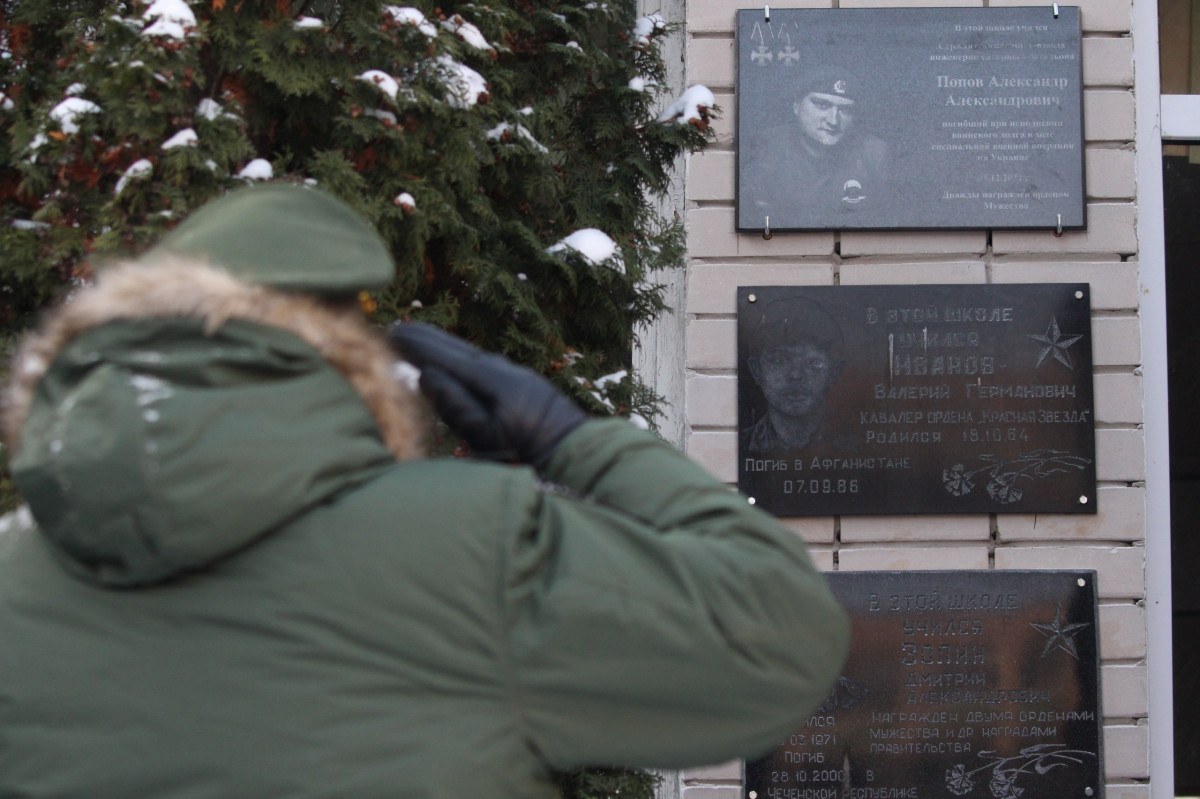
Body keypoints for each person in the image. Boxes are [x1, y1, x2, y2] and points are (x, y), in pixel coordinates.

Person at [0, 184, 850, 798]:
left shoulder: (12, 574)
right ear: (343, 355)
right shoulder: (462, 552)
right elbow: (775, 635)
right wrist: (579, 443)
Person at [741, 67, 889, 228]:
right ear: (796, 106)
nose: (833, 120)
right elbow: (758, 219)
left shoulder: (874, 153)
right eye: (822, 105)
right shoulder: (768, 146)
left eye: (845, 110)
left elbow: (881, 220)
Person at [742, 295, 845, 453]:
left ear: (834, 372)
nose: (796, 375)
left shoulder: (860, 444)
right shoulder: (742, 446)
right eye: (779, 361)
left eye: (813, 363)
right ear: (756, 370)